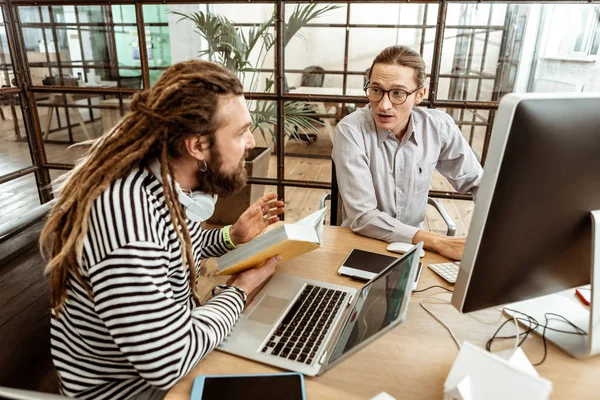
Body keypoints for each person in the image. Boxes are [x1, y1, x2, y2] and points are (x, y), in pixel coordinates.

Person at [40, 60, 285, 400]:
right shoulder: (127, 218)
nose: (251, 141)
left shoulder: (162, 183)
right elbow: (166, 361)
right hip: (134, 391)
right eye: (241, 131)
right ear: (197, 146)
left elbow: (173, 249)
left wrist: (232, 237)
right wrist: (239, 291)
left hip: (166, 368)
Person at [332, 45, 483, 260]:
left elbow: (477, 182)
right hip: (362, 244)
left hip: (414, 249)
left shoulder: (438, 126)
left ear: (420, 94)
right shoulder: (351, 130)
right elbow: (363, 217)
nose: (384, 105)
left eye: (398, 93)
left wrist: (491, 232)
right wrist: (438, 241)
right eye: (376, 90)